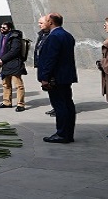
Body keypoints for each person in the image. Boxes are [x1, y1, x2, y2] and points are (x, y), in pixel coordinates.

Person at [37, 13, 77, 143]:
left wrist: (45, 77)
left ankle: (62, 134)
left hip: (56, 78)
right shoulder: (67, 35)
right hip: (66, 76)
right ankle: (68, 133)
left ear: (51, 22)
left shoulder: (54, 36)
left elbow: (51, 58)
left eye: (46, 20)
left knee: (60, 106)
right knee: (67, 105)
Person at [0, 22, 27, 112]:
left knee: (18, 85)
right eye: (1, 27)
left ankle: (20, 104)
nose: (1, 29)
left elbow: (14, 51)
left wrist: (2, 59)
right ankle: (6, 102)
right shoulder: (0, 37)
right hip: (3, 64)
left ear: (9, 28)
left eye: (4, 28)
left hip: (14, 63)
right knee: (5, 84)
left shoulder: (15, 37)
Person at [34, 16, 54, 116]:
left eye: (41, 23)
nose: (39, 25)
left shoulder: (53, 35)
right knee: (49, 90)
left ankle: (59, 108)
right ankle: (55, 106)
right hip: (42, 66)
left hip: (50, 68)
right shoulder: (41, 35)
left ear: (49, 22)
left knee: (56, 90)